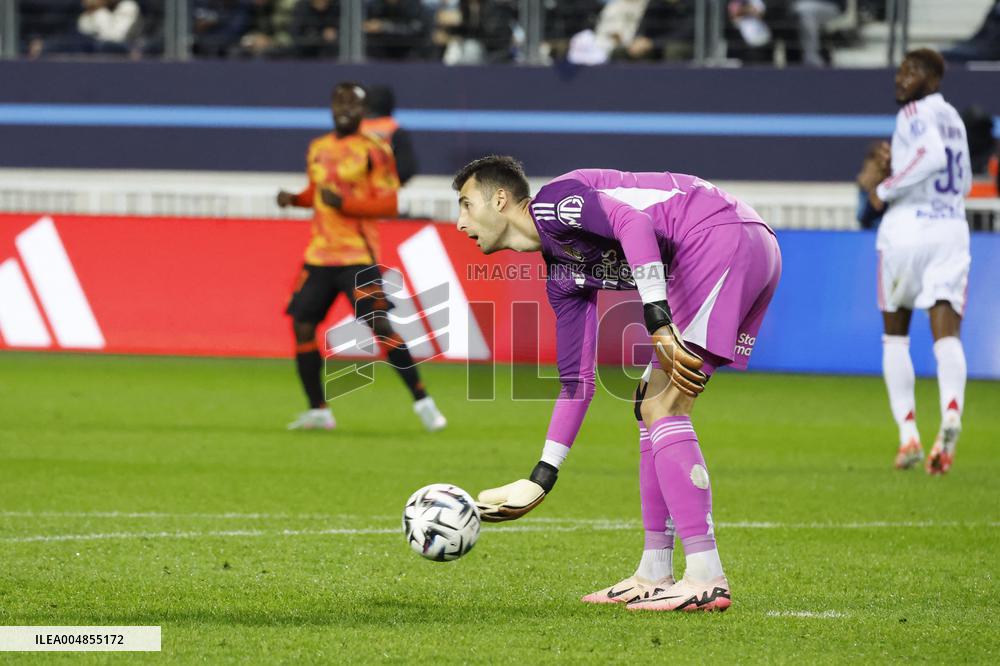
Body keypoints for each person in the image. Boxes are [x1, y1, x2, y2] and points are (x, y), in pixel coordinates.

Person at [453, 157, 781, 612]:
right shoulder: (562, 277)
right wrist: (542, 476)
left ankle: (706, 575)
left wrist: (656, 316)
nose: (459, 222)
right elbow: (576, 382)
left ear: (501, 199)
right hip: (734, 242)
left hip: (718, 235)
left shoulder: (555, 205)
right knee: (649, 403)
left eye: (467, 205)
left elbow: (633, 223)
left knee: (665, 407)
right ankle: (654, 570)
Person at [277, 82, 447, 432]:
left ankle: (423, 402)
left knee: (380, 326)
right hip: (320, 256)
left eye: (351, 105)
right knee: (302, 326)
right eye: (338, 103)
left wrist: (348, 205)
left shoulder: (374, 150)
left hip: (357, 256)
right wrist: (295, 199)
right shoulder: (318, 147)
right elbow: (317, 193)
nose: (344, 110)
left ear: (362, 111)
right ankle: (318, 411)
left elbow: (390, 202)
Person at [857, 49, 971, 475]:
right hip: (950, 229)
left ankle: (908, 436)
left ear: (933, 79)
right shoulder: (954, 119)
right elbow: (953, 166)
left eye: (912, 72)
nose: (901, 79)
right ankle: (952, 413)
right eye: (901, 71)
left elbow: (932, 158)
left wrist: (884, 189)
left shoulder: (914, 114)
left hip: (906, 231)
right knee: (947, 335)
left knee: (895, 337)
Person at [360, 86, 419, 186]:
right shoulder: (396, 132)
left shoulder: (356, 131)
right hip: (386, 195)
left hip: (358, 193)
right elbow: (406, 169)